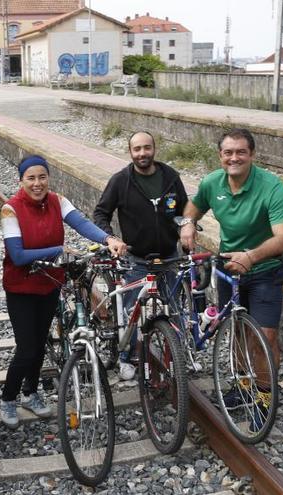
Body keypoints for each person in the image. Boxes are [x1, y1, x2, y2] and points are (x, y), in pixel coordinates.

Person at [180, 128, 283, 432]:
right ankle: (243, 386)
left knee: (265, 336)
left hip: (265, 270)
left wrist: (252, 256)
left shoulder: (271, 186)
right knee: (237, 329)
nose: (234, 158)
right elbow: (193, 207)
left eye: (241, 152)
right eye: (228, 152)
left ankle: (264, 396)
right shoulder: (211, 183)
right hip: (230, 269)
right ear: (220, 156)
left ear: (252, 155)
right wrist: (188, 223)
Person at [0, 156, 126, 428]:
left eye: (42, 177)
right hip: (21, 287)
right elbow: (18, 255)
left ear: (48, 177)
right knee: (27, 347)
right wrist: (59, 250)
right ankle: (8, 398)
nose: (37, 183)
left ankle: (30, 393)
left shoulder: (58, 200)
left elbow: (81, 224)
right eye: (30, 178)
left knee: (40, 340)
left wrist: (108, 238)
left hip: (50, 283)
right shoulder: (11, 209)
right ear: (21, 181)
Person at [93, 131, 189, 380]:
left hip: (168, 257)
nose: (142, 153)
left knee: (176, 309)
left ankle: (178, 358)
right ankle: (126, 358)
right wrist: (111, 238)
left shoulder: (170, 177)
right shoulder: (120, 181)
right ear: (130, 152)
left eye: (147, 148)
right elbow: (101, 213)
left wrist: (187, 225)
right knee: (131, 311)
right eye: (137, 149)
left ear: (154, 149)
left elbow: (185, 208)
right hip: (137, 259)